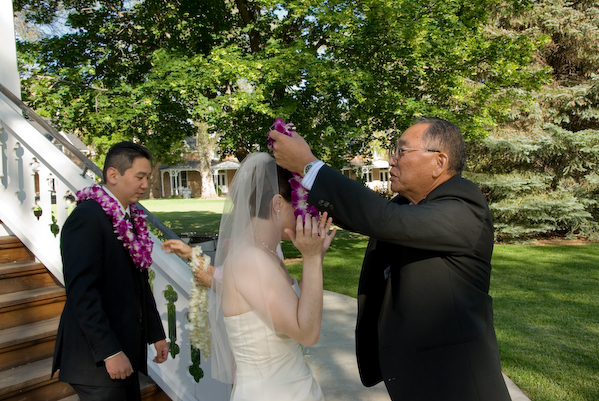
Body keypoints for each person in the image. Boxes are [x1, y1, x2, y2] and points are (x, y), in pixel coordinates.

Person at [269, 117, 512, 401]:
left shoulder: (465, 206)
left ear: (439, 162)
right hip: (418, 379)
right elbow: (365, 214)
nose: (391, 160)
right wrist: (299, 177)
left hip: (458, 382)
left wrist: (309, 166)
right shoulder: (406, 206)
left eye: (401, 151)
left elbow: (384, 219)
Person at [163, 152, 336, 401]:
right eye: (300, 204)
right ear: (278, 204)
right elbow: (307, 334)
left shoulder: (266, 252)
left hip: (294, 387)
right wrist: (310, 260)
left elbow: (298, 312)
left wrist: (315, 258)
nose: (305, 212)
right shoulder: (250, 259)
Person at [52, 142, 169, 401]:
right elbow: (82, 294)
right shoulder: (87, 218)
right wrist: (110, 352)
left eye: (147, 177)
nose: (146, 184)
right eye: (139, 177)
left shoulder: (129, 217)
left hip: (126, 348)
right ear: (113, 175)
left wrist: (155, 334)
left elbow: (138, 282)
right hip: (96, 359)